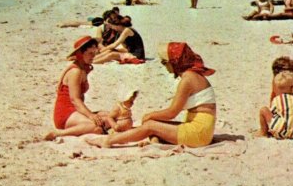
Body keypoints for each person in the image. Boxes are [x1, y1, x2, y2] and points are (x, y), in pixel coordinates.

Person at [87, 42, 217, 148]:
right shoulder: (193, 76)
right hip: (202, 130)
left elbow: (172, 112)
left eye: (165, 62)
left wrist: (149, 116)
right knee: (154, 123)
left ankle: (109, 141)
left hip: (199, 133)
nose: (164, 66)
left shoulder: (188, 79)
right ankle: (155, 143)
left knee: (150, 124)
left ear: (175, 62)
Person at [44, 36, 105, 140]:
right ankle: (58, 133)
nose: (93, 56)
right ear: (80, 54)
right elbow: (75, 99)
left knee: (108, 117)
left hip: (75, 111)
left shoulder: (82, 68)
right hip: (66, 113)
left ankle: (82, 128)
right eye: (90, 53)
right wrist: (90, 115)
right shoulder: (75, 72)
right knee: (96, 126)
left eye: (94, 53)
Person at [257, 71, 293, 139]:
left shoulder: (277, 100)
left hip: (280, 133)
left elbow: (272, 114)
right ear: (292, 88)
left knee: (264, 110)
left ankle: (263, 133)